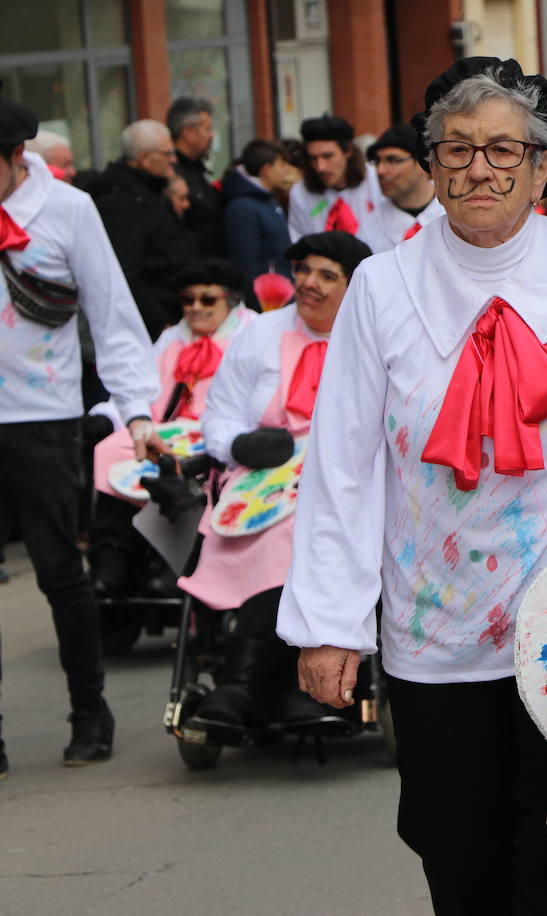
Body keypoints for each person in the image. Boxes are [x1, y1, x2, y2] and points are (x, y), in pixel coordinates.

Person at [277, 57, 547, 916]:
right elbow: (343, 461)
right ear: (430, 166)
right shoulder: (381, 286)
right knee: (452, 841)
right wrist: (329, 624)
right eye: (459, 149)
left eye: (505, 149)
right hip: (434, 623)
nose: (481, 169)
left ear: (543, 168)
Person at [0, 85, 161, 784]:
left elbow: (112, 315)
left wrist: (137, 410)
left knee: (59, 574)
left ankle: (90, 712)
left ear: (18, 158)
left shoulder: (68, 210)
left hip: (44, 421)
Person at [178, 231, 371, 740]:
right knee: (268, 537)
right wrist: (238, 446)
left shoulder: (369, 334)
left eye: (327, 275)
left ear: (354, 286)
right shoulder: (261, 332)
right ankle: (246, 687)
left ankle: (277, 688)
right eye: (303, 269)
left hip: (344, 476)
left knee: (307, 539)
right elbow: (219, 413)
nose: (308, 282)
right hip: (264, 480)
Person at [87, 258, 256, 598]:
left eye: (207, 300)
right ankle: (112, 556)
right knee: (109, 450)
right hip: (164, 429)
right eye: (188, 300)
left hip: (216, 434)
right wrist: (107, 416)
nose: (195, 308)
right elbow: (138, 387)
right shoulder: (171, 338)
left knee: (197, 466)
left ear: (231, 300)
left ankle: (173, 563)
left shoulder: (252, 334)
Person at [94, 119, 198, 339]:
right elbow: (126, 272)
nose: (174, 159)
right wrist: (160, 323)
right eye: (167, 153)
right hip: (153, 326)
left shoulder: (151, 191)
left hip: (177, 310)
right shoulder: (121, 201)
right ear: (144, 159)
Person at [287, 114, 382, 245]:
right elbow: (299, 241)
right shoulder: (300, 193)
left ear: (348, 151)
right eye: (313, 158)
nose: (320, 167)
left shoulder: (376, 180)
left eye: (328, 156)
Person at [221, 138, 295, 301]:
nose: (286, 171)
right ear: (267, 169)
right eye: (281, 165)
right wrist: (259, 299)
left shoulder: (268, 200)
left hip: (281, 292)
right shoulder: (242, 208)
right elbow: (245, 263)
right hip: (266, 300)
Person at [359, 123, 444, 251]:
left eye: (392, 160)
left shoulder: (452, 212)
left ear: (421, 163)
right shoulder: (369, 228)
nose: (380, 171)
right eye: (377, 161)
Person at [167, 96, 222, 257]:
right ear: (188, 133)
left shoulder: (197, 170)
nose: (211, 135)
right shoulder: (171, 174)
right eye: (207, 129)